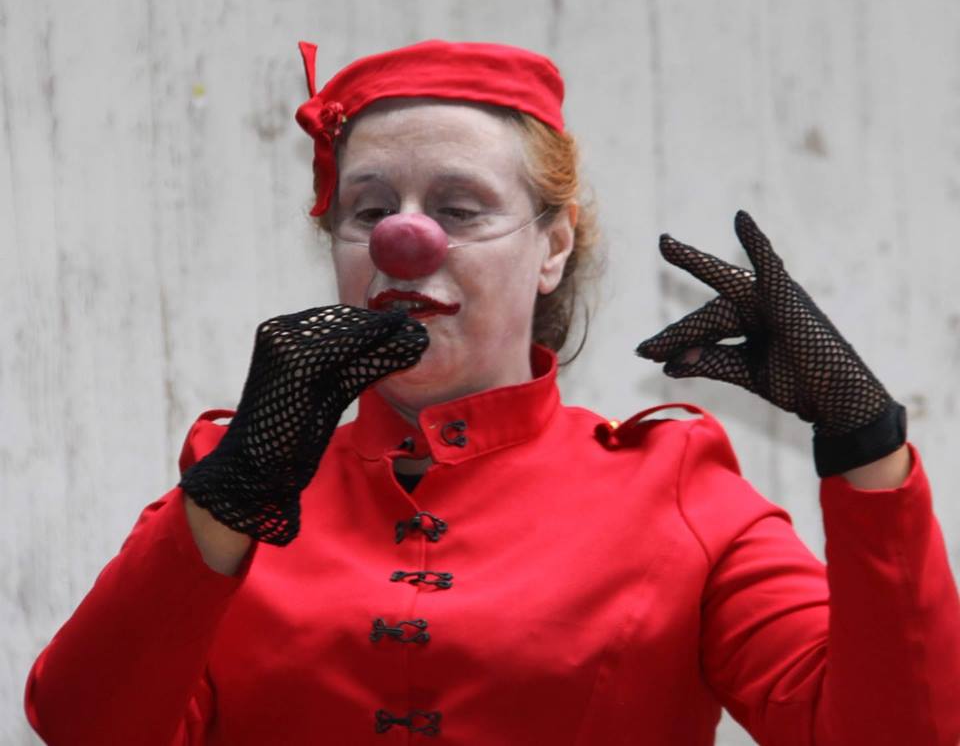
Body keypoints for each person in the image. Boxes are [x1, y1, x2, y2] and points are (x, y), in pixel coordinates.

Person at [24, 40, 960, 745]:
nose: (405, 240)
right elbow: (84, 724)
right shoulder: (231, 491)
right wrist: (228, 492)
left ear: (553, 244)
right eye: (370, 209)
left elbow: (899, 733)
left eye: (459, 208)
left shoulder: (676, 485)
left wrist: (865, 443)